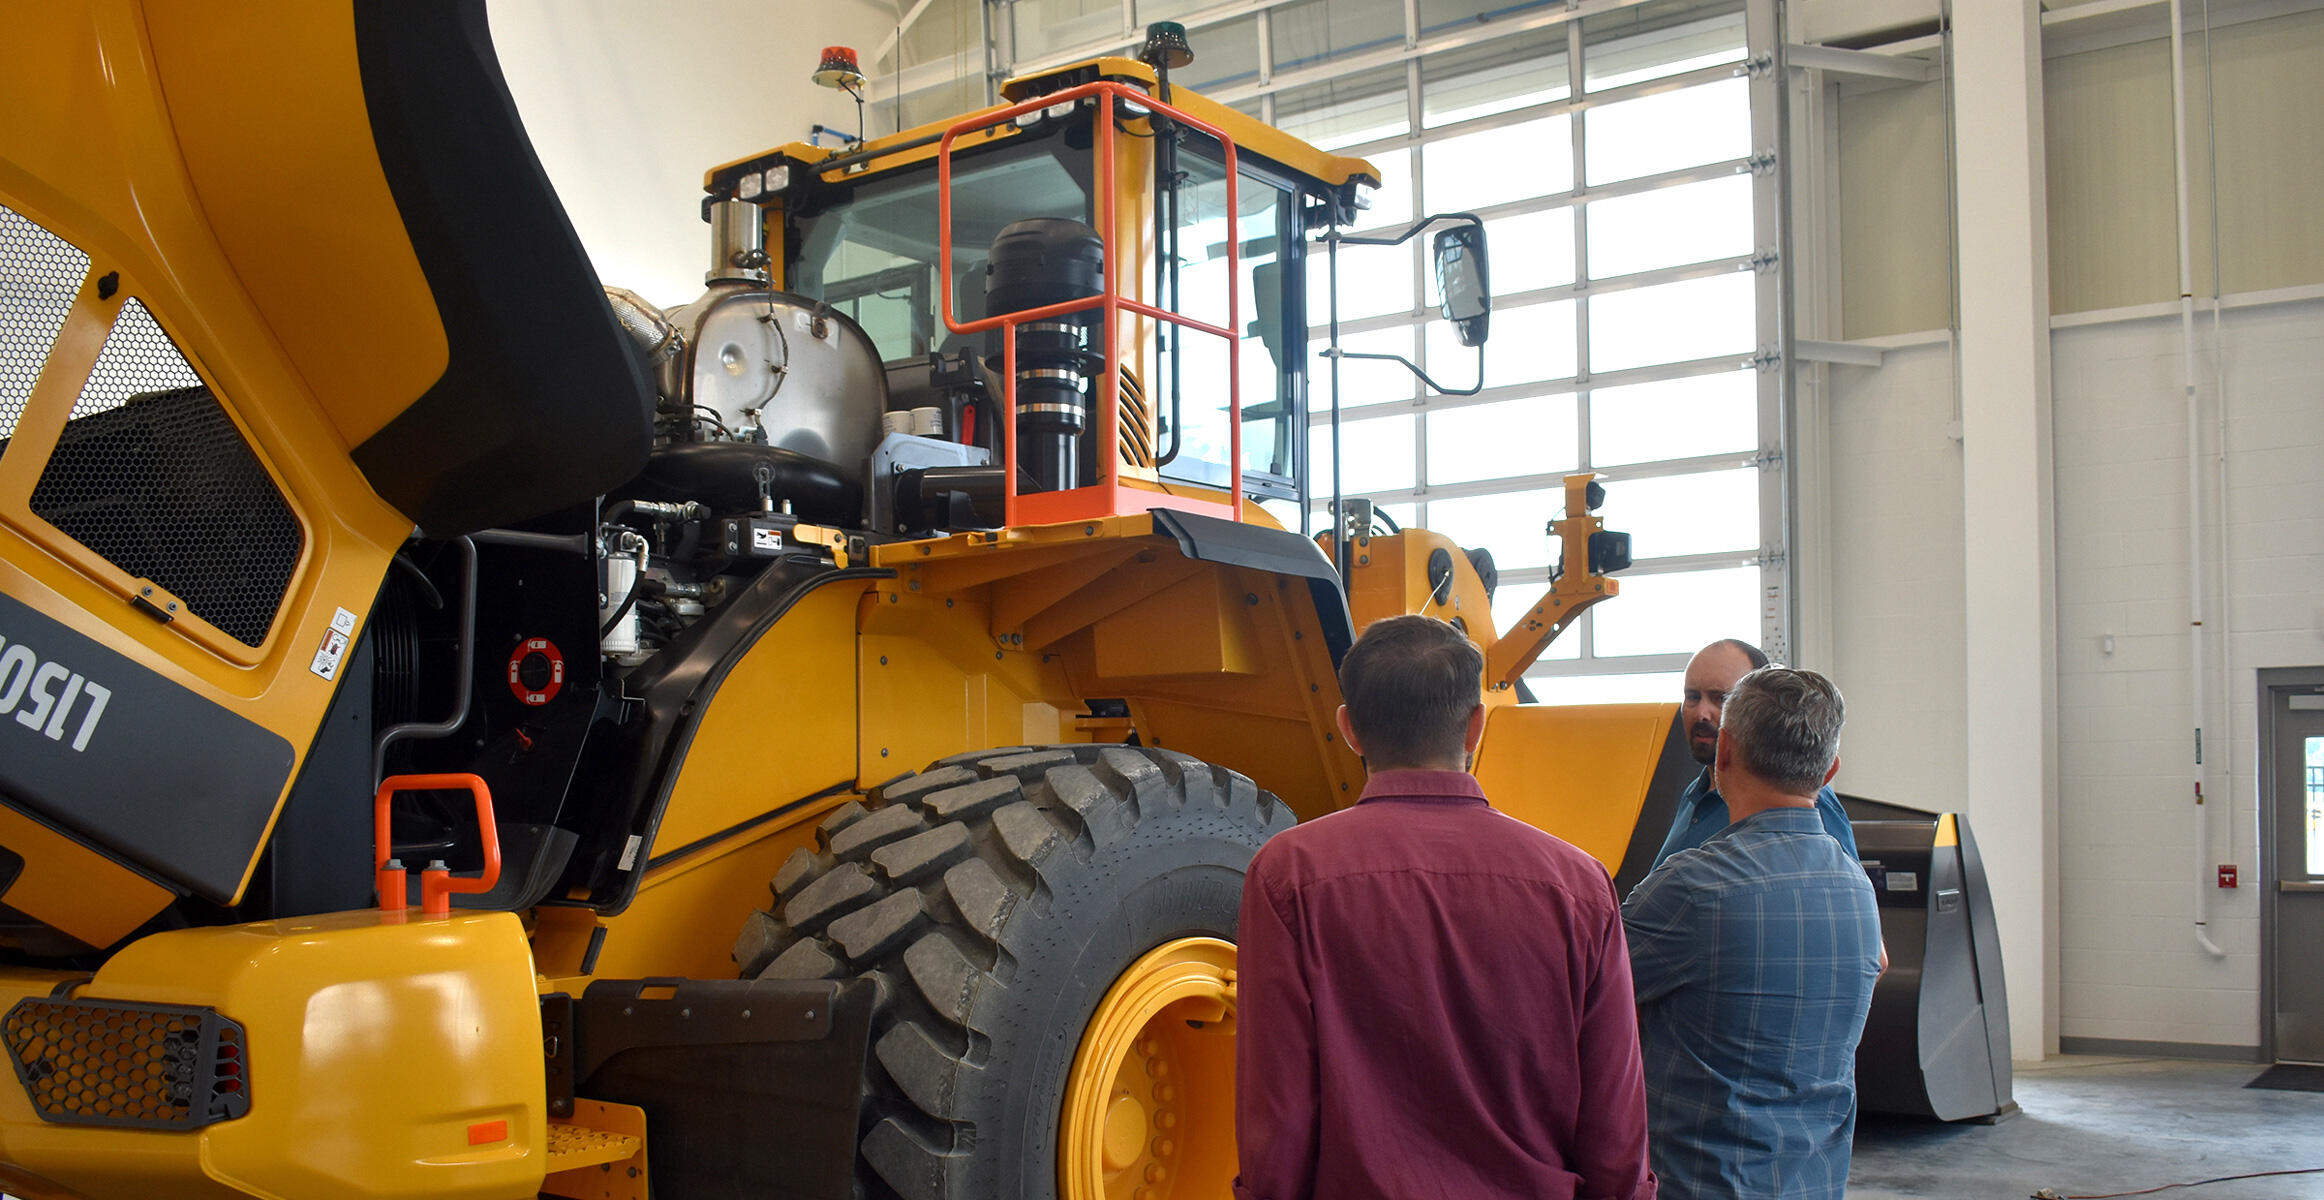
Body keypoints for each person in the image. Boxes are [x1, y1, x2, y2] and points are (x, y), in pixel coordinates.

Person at [1232, 615, 1655, 1200]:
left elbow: (1276, 1110)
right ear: (1476, 725)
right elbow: (1615, 1121)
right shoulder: (1579, 885)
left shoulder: (1288, 875)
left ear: (1349, 729)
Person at [1622, 667, 1883, 1199]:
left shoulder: (1693, 886)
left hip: (1701, 1182)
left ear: (1724, 755)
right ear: (1829, 770)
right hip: (1815, 1181)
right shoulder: (1856, 887)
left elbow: (1580, 994)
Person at [1652, 639, 1859, 872]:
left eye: (1721, 699)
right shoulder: (1694, 794)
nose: (1701, 713)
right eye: (1692, 697)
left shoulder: (1804, 800)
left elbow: (1840, 895)